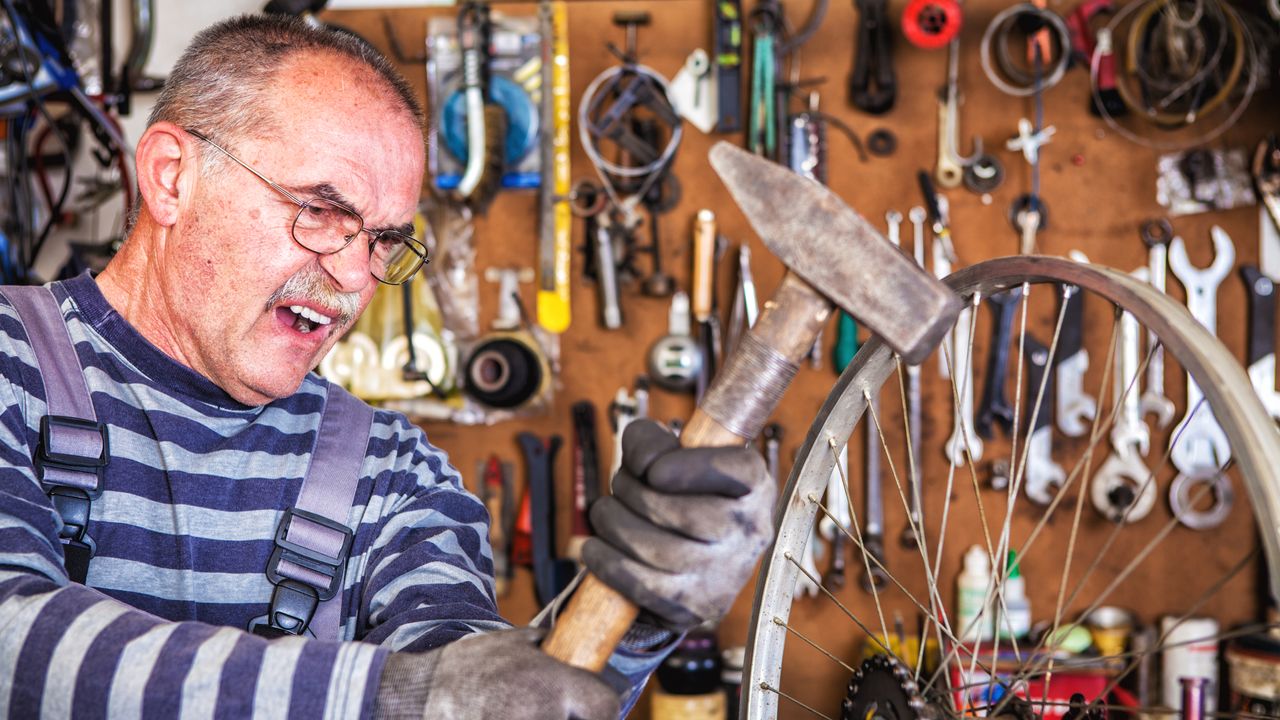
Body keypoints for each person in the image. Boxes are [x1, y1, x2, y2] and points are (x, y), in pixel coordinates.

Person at [0, 13, 775, 720]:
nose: (352, 276)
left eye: (381, 240)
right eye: (322, 210)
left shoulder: (388, 472)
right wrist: (399, 698)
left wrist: (636, 609)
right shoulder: (10, 361)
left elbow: (474, 678)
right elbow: (14, 649)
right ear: (172, 176)